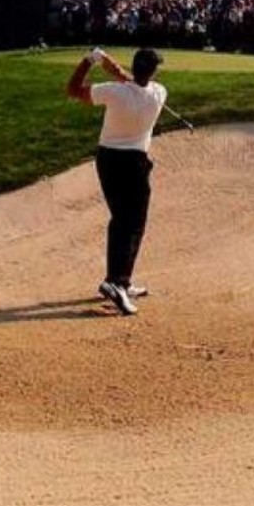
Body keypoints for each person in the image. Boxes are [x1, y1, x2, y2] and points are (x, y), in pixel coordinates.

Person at [66, 48, 168, 316]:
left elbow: (73, 89)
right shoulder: (159, 93)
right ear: (153, 72)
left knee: (122, 220)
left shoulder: (113, 91)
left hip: (107, 160)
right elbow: (133, 82)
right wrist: (123, 76)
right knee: (132, 224)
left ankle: (121, 279)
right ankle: (117, 283)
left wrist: (90, 60)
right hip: (135, 163)